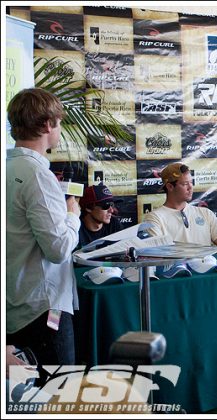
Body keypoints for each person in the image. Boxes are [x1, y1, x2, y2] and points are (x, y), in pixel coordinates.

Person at [6, 88, 81, 369]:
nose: (60, 129)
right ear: (47, 124)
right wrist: (72, 215)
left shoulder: (9, 167)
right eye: (59, 123)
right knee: (57, 398)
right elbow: (59, 249)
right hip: (43, 308)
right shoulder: (37, 174)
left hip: (16, 304)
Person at [143, 162, 217, 254]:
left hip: (207, 267)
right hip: (178, 268)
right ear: (170, 186)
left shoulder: (206, 213)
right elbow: (159, 256)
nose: (190, 187)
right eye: (185, 184)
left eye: (191, 182)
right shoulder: (154, 218)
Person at [77, 184, 124, 248]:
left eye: (112, 205)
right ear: (88, 208)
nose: (111, 210)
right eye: (106, 205)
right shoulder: (75, 228)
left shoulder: (114, 224)